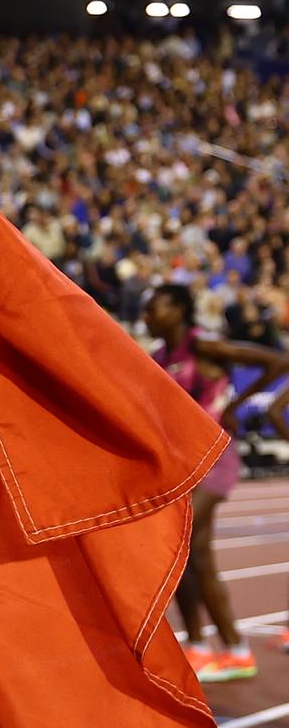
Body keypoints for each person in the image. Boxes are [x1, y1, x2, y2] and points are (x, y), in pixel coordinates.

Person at [145, 283, 289, 681]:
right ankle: (213, 647)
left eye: (154, 308)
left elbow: (278, 363)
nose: (146, 316)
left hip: (215, 458)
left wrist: (238, 404)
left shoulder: (203, 347)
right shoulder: (158, 357)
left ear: (178, 309)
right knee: (195, 557)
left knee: (181, 543)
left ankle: (220, 648)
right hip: (183, 463)